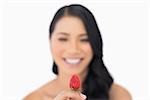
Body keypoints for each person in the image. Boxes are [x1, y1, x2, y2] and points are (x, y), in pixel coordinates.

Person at [24, 4, 132, 100]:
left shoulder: (118, 95)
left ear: (95, 43)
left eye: (84, 39)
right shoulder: (33, 98)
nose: (73, 49)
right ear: (49, 40)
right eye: (63, 39)